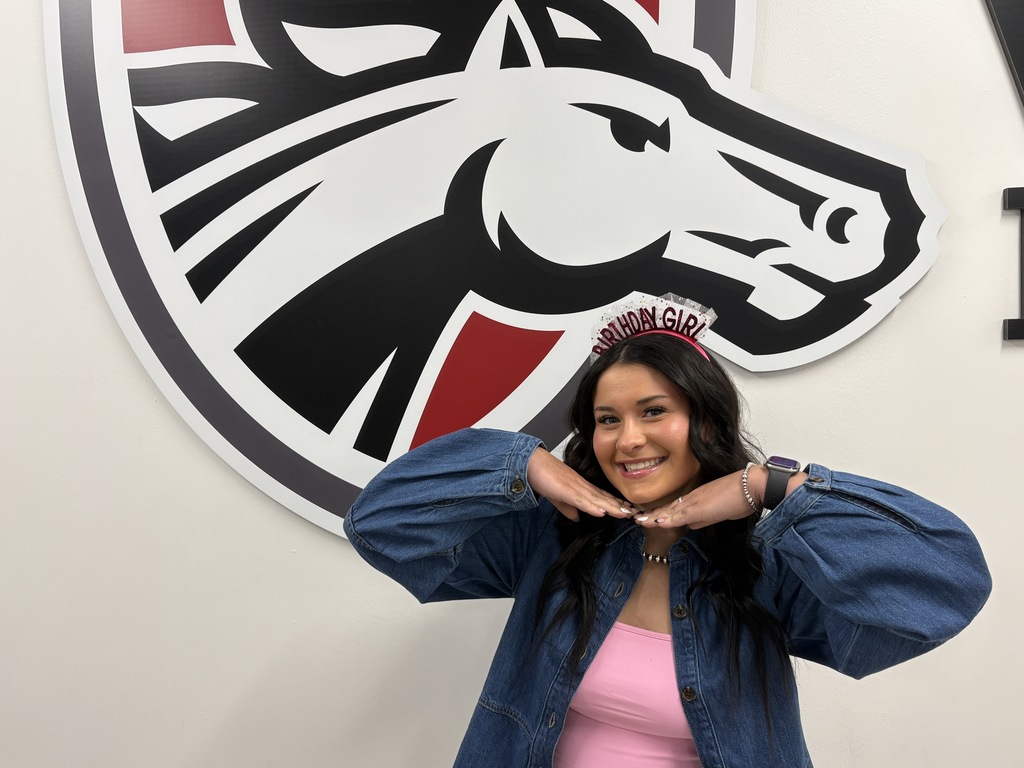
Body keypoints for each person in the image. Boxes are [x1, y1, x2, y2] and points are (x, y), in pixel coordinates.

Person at [343, 294, 991, 768]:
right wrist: (525, 462)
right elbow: (381, 525)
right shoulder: (549, 542)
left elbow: (945, 584)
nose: (628, 439)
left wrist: (767, 486)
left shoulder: (765, 569)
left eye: (654, 412)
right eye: (606, 419)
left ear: (706, 423)